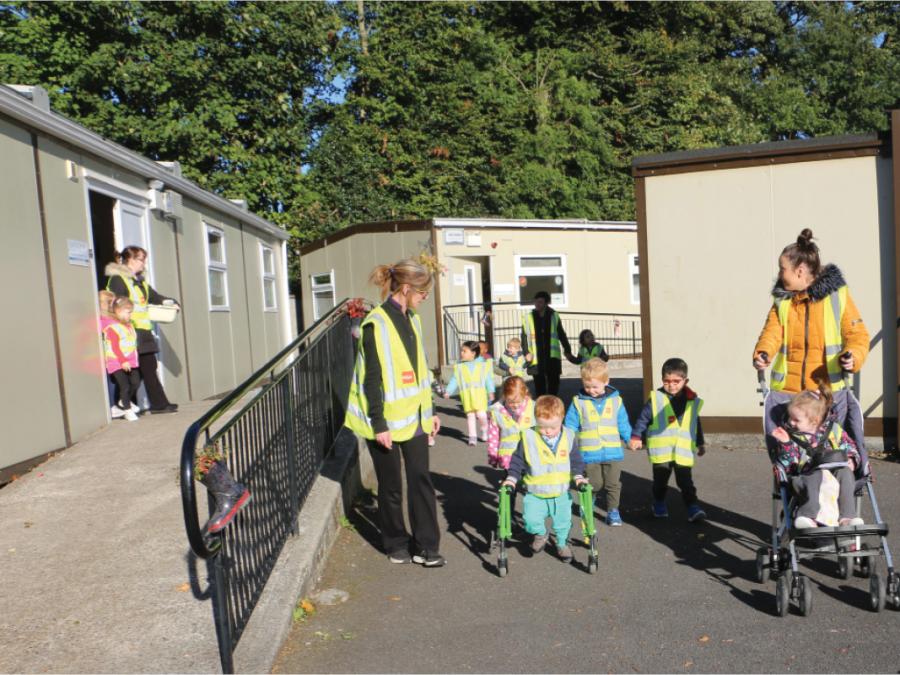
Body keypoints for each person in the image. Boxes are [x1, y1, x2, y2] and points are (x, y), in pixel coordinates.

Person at [344, 257, 444, 567]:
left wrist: (432, 411)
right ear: (406, 288)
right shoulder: (376, 323)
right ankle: (396, 542)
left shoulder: (412, 319)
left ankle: (427, 546)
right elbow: (371, 378)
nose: (425, 298)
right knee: (390, 486)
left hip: (414, 417)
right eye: (423, 292)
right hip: (384, 420)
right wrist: (378, 424)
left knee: (420, 480)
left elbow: (419, 370)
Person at [753, 228, 869, 393]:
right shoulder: (782, 300)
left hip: (826, 394)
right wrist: (763, 353)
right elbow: (771, 333)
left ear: (799, 271)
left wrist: (853, 356)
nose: (779, 275)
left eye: (782, 269)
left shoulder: (837, 296)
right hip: (787, 394)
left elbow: (858, 336)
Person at [502, 395, 587, 562]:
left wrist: (578, 476)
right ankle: (541, 534)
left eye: (553, 427)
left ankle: (562, 544)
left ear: (562, 419)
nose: (547, 431)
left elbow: (576, 459)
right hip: (535, 492)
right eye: (542, 427)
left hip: (560, 492)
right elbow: (517, 460)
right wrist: (512, 478)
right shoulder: (528, 437)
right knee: (530, 520)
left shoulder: (569, 436)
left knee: (563, 522)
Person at [770, 381, 863, 528]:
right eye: (790, 418)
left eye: (796, 420)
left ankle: (847, 518)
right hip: (805, 478)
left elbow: (851, 447)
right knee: (815, 476)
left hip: (835, 476)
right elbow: (788, 465)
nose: (791, 422)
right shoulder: (790, 436)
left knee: (845, 473)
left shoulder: (835, 432)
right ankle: (808, 517)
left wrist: (852, 459)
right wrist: (786, 444)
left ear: (815, 421)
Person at [629, 358, 707, 522]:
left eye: (676, 381)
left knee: (686, 482)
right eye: (667, 381)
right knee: (660, 482)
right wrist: (636, 436)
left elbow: (695, 422)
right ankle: (658, 503)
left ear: (685, 380)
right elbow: (643, 418)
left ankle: (693, 507)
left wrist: (700, 442)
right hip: (662, 451)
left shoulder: (691, 400)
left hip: (682, 451)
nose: (671, 385)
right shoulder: (656, 399)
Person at [104, 246, 179, 414]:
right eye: (141, 259)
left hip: (143, 332)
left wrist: (171, 302)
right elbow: (117, 306)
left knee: (149, 368)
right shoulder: (118, 279)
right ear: (130, 260)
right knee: (130, 371)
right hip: (127, 333)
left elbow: (155, 297)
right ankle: (123, 406)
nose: (144, 263)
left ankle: (159, 404)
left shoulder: (139, 282)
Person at [564, 358, 631, 526]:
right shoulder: (578, 402)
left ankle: (613, 511)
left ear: (606, 382)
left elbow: (623, 423)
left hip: (613, 451)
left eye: (595, 387)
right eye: (587, 387)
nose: (591, 390)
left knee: (613, 484)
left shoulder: (616, 401)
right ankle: (589, 501)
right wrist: (566, 444)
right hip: (589, 453)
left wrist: (630, 438)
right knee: (594, 484)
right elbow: (570, 425)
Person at [521, 291, 572, 397]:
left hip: (552, 356)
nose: (537, 304)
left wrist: (567, 349)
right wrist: (526, 352)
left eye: (540, 302)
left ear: (546, 303)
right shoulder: (528, 317)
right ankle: (541, 405)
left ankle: (552, 403)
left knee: (554, 382)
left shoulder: (554, 315)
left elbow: (561, 333)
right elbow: (524, 337)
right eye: (536, 302)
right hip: (536, 356)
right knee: (539, 384)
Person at [444, 341, 495, 445]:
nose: (461, 353)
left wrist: (491, 391)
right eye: (461, 351)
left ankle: (484, 429)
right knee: (470, 416)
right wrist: (448, 391)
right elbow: (455, 380)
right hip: (467, 396)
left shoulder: (483, 365)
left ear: (473, 353)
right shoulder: (459, 367)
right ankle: (472, 437)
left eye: (464, 351)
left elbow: (488, 379)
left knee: (482, 415)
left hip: (480, 395)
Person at [103, 296, 141, 422]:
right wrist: (122, 360)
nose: (131, 314)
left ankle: (122, 402)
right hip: (117, 362)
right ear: (118, 311)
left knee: (136, 382)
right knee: (124, 386)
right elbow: (115, 346)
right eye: (128, 312)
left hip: (130, 361)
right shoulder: (113, 327)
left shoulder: (129, 326)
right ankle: (127, 409)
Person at [487, 376, 535, 471]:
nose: (515, 405)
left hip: (530, 456)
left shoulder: (534, 408)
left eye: (518, 402)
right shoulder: (497, 412)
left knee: (528, 483)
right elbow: (493, 436)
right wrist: (493, 455)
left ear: (525, 393)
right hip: (508, 457)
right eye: (511, 402)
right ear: (504, 396)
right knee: (509, 482)